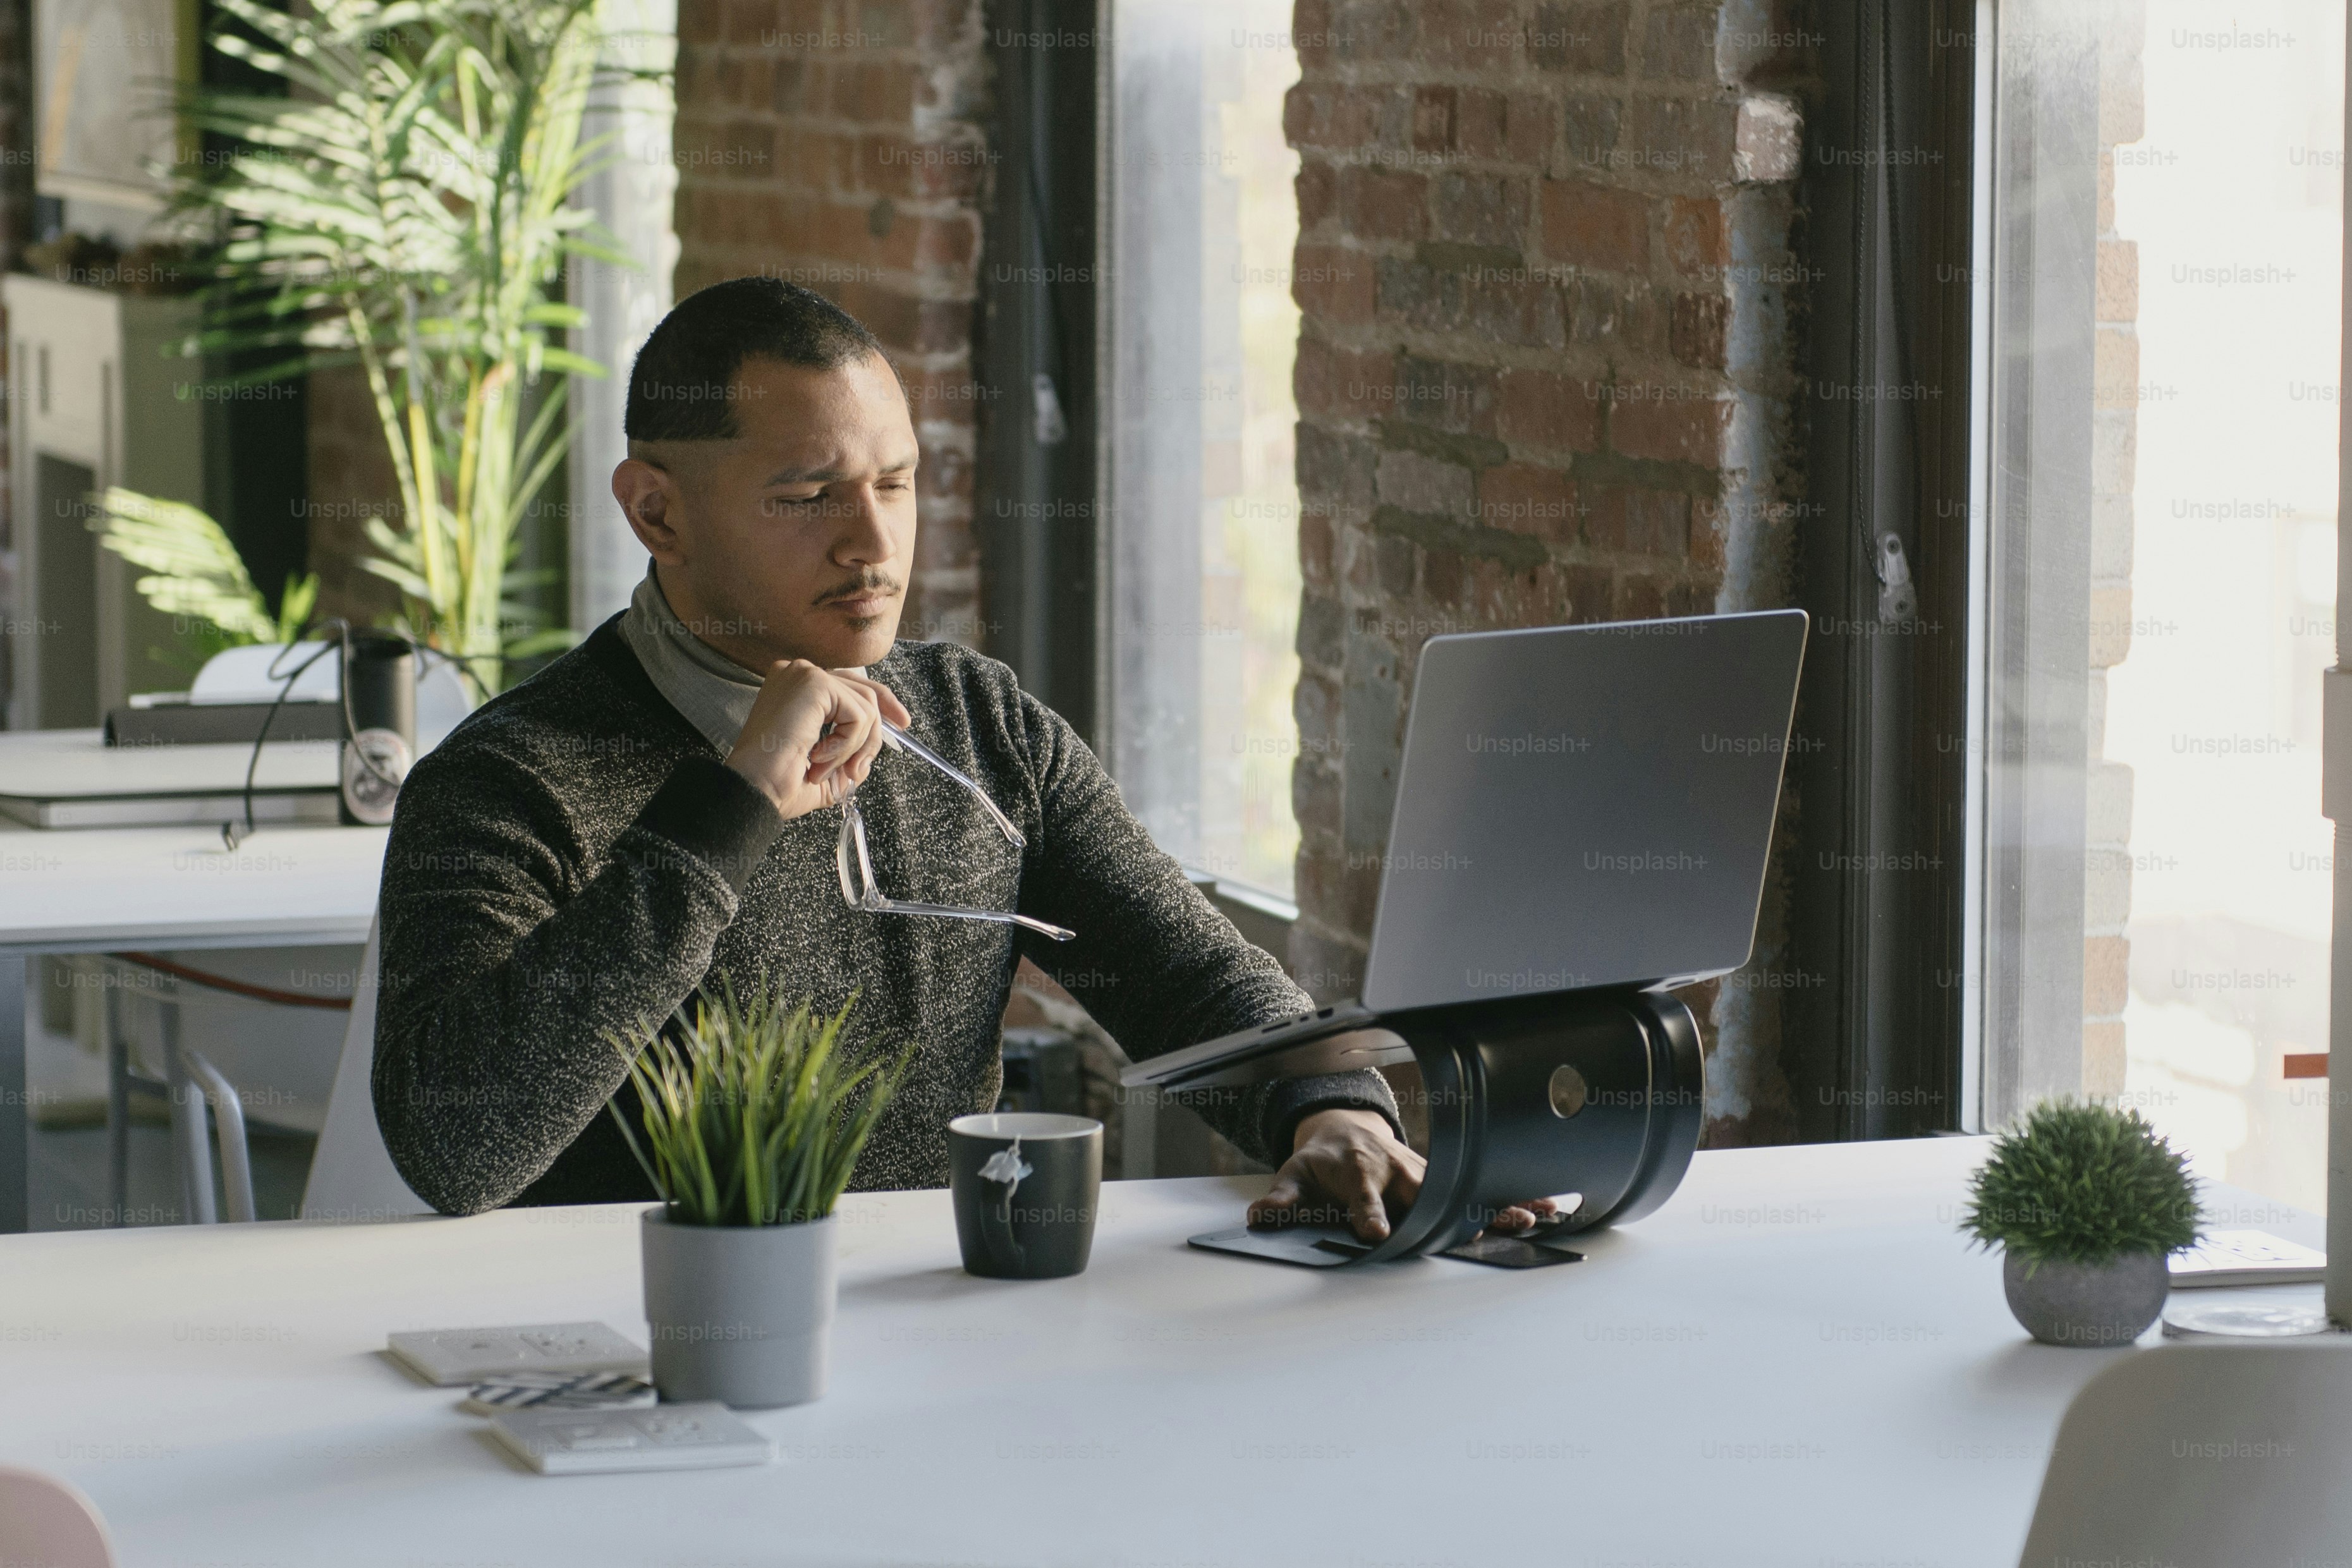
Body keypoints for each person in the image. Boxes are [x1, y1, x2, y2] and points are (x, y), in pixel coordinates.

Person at [372, 277, 1552, 1241]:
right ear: (657, 512)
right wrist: (727, 809)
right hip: (640, 1358)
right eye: (807, 495)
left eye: (895, 482)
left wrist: (1329, 1108)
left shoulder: (975, 720)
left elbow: (1188, 978)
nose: (874, 540)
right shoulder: (509, 779)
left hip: (942, 1329)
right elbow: (458, 1149)